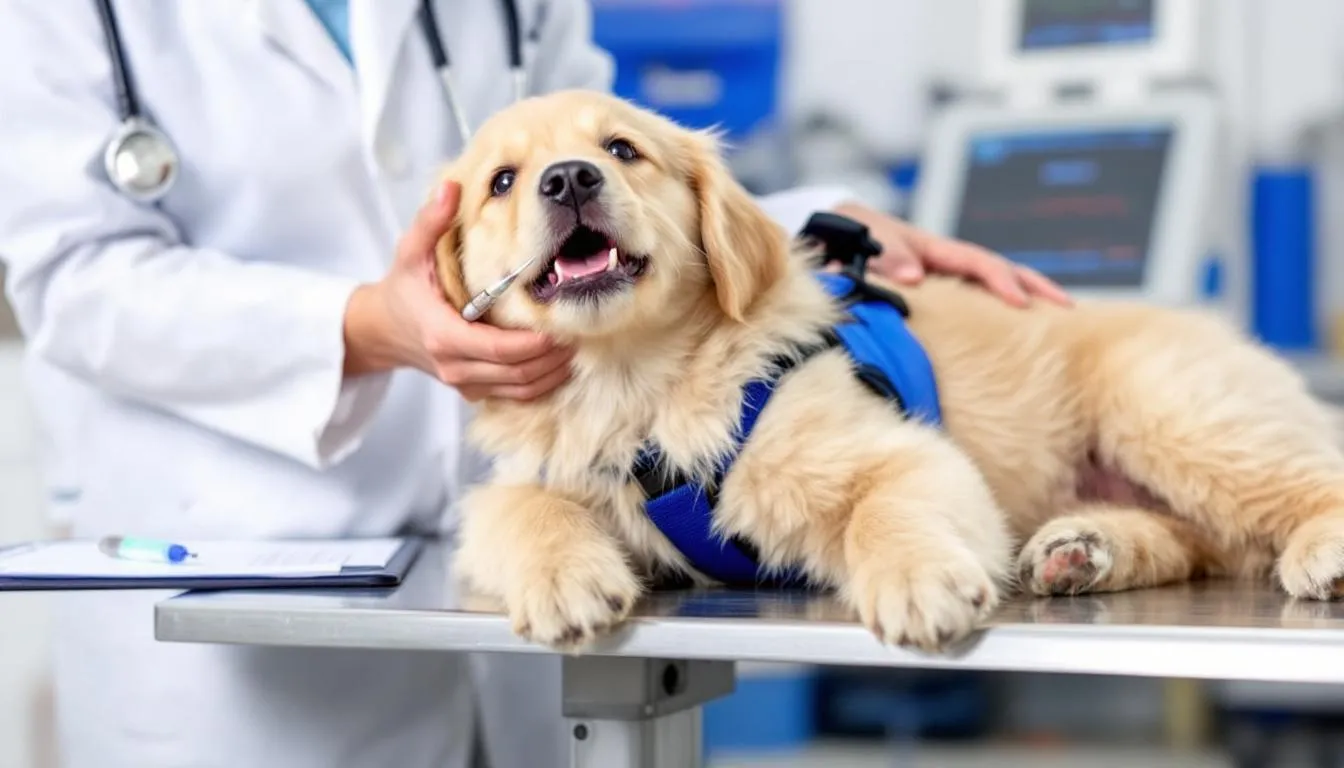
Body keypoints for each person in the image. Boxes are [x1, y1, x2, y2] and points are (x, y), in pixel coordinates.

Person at [0, 2, 1071, 767]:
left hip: (546, 541)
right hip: (240, 569)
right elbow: (67, 276)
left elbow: (600, 180)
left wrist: (817, 227)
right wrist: (369, 326)